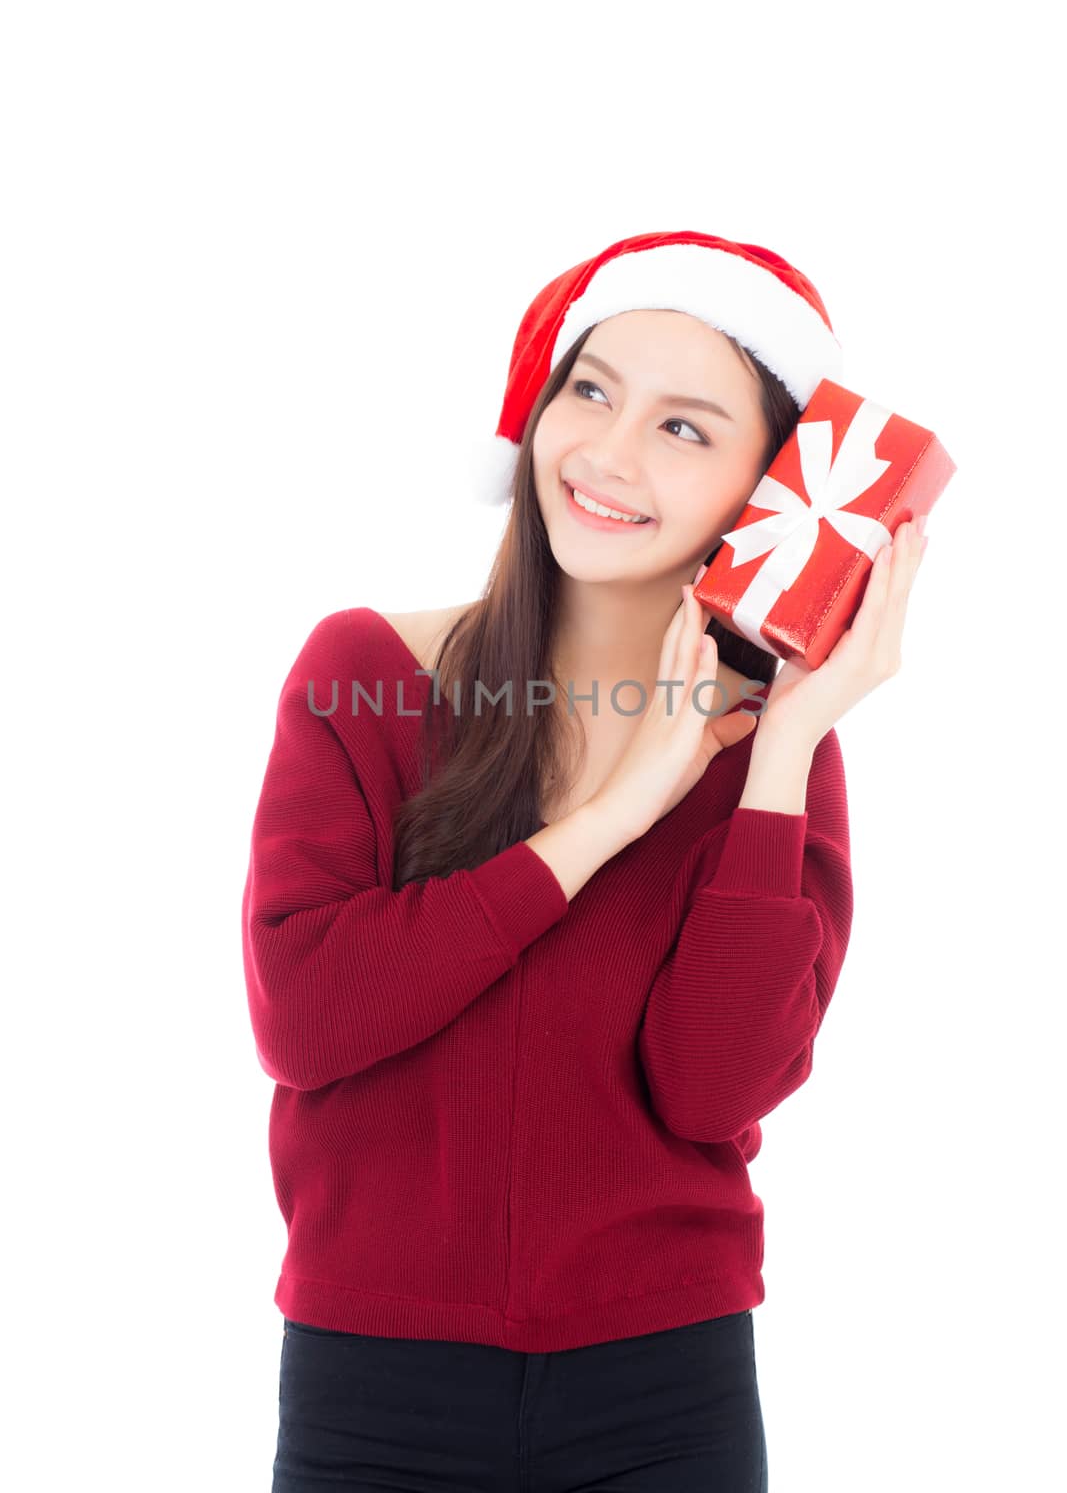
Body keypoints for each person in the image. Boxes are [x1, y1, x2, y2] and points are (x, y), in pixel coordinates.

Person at [242, 229, 928, 1491]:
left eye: (684, 428)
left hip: (665, 1386)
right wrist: (615, 811)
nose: (605, 454)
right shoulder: (368, 678)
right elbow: (309, 1017)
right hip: (371, 1381)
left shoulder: (775, 755)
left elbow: (712, 1090)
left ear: (764, 494)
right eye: (590, 391)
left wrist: (776, 751)